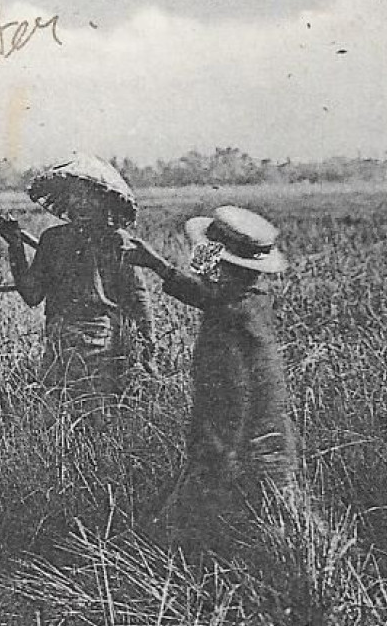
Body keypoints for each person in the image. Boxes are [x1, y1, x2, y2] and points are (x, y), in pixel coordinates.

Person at [123, 206, 296, 532]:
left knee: (260, 527)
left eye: (211, 255)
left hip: (247, 449)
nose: (202, 262)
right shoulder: (247, 298)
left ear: (225, 266)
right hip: (259, 444)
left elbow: (233, 400)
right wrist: (158, 265)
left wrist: (216, 457)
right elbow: (206, 290)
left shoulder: (233, 317)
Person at [0, 153, 155, 392]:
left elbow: (138, 297)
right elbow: (32, 294)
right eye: (74, 195)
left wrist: (146, 350)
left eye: (89, 195)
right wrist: (16, 246)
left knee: (98, 414)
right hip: (59, 342)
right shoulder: (53, 240)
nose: (80, 202)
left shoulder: (118, 242)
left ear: (104, 201)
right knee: (58, 413)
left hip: (103, 344)